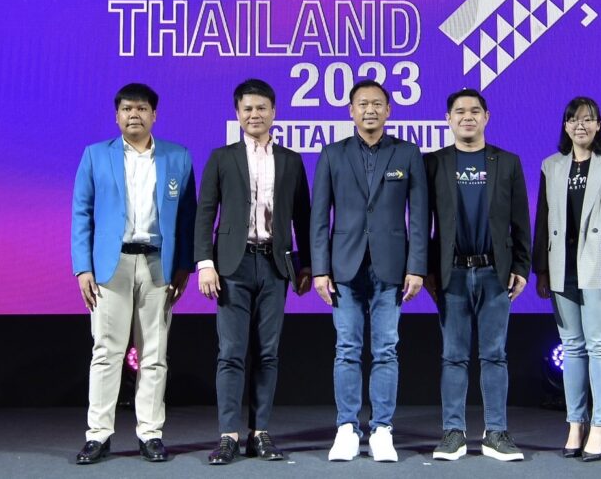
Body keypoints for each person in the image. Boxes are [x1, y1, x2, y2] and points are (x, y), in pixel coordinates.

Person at [71, 83, 195, 465]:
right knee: (106, 351)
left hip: (159, 264)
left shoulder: (178, 157)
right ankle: (98, 435)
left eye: (141, 109)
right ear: (117, 116)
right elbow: (81, 214)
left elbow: (187, 217)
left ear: (154, 115)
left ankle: (150, 434)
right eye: (127, 109)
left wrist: (184, 266)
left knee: (154, 354)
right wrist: (82, 267)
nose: (134, 115)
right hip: (112, 266)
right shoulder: (95, 155)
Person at [194, 79, 312, 465]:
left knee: (267, 352)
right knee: (231, 352)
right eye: (247, 109)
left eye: (262, 108)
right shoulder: (221, 158)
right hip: (233, 265)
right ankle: (228, 435)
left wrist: (306, 265)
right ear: (237, 114)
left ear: (274, 112)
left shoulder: (291, 160)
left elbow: (303, 216)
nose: (255, 115)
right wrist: (206, 264)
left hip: (275, 265)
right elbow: (205, 213)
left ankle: (260, 432)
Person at [310, 80, 428, 462]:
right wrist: (319, 269)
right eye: (362, 104)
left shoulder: (407, 153)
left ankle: (381, 430)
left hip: (391, 267)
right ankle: (346, 428)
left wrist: (417, 267)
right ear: (351, 111)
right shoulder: (332, 154)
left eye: (377, 104)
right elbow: (318, 218)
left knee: (386, 350)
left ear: (389, 110)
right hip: (343, 267)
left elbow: (419, 216)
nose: (370, 110)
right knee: (346, 349)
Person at [424, 89, 531, 462]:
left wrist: (521, 267)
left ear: (487, 116)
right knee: (453, 356)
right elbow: (421, 222)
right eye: (459, 111)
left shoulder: (508, 162)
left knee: (494, 355)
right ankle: (453, 432)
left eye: (474, 111)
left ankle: (496, 432)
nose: (467, 117)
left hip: (494, 274)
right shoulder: (433, 163)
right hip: (451, 274)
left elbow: (521, 220)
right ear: (448, 119)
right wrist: (425, 270)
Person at [533, 97, 601, 462]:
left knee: (600, 346)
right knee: (572, 348)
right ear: (565, 126)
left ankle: (600, 426)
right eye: (574, 119)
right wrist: (541, 270)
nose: (581, 125)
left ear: (598, 125)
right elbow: (543, 219)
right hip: (561, 267)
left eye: (588, 119)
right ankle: (575, 423)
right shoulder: (551, 165)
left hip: (598, 266)